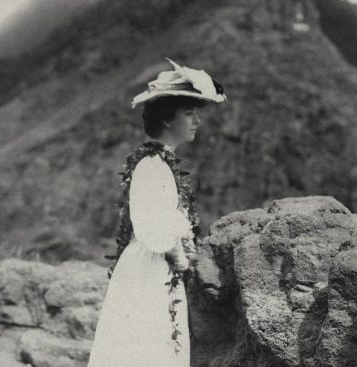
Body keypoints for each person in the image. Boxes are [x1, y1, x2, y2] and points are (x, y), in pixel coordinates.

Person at [87, 58, 227, 367]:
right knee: (146, 346)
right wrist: (179, 254)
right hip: (149, 267)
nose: (197, 121)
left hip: (153, 266)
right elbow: (153, 226)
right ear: (167, 119)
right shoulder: (152, 165)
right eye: (189, 113)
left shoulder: (161, 163)